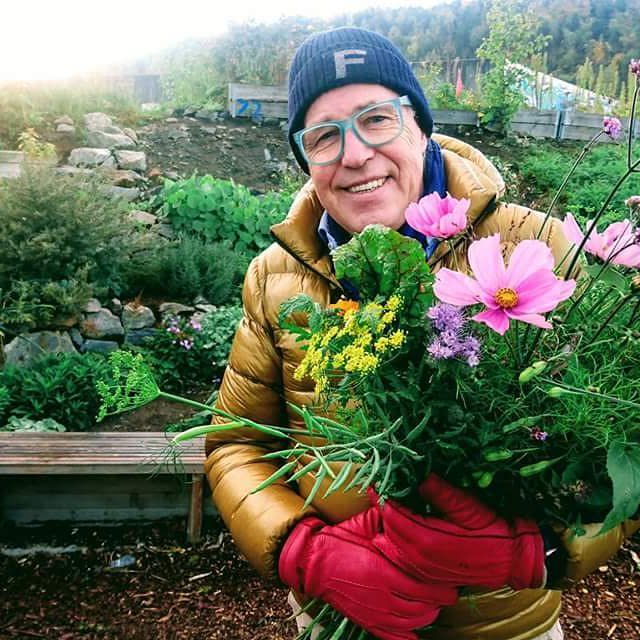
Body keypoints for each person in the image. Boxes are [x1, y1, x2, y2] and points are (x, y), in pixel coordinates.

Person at [204, 27, 639, 640]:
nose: (354, 155)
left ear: (422, 125)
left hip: (502, 618)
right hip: (339, 613)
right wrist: (305, 553)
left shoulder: (536, 244)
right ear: (306, 159)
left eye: (376, 119)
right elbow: (235, 443)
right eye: (324, 136)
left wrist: (541, 551)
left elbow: (622, 439)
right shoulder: (274, 277)